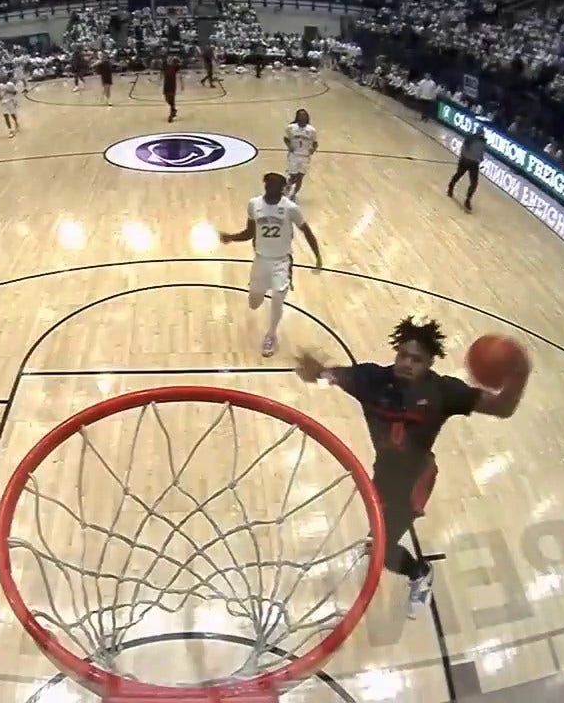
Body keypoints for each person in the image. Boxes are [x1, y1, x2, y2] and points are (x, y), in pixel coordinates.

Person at [293, 318, 531, 618]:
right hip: (384, 471)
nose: (406, 363)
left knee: (383, 550)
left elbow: (503, 408)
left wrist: (518, 378)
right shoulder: (371, 379)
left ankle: (420, 572)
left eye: (416, 359)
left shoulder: (444, 392)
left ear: (430, 363)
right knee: (379, 536)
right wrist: (318, 373)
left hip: (415, 480)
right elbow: (330, 377)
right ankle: (385, 545)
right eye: (402, 355)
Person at [218, 172, 322, 357]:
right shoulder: (254, 204)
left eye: (274, 187)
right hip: (261, 259)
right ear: (264, 186)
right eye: (267, 186)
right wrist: (231, 237)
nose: (269, 190)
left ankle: (271, 335)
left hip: (282, 261)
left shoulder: (290, 208)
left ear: (282, 189)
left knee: (277, 299)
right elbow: (249, 233)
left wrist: (318, 257)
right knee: (254, 301)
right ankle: (256, 290)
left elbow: (307, 231)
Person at [447, 128, 485, 212]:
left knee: (473, 183)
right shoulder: (470, 138)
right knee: (459, 175)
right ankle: (451, 187)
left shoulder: (482, 141)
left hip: (473, 163)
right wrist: (465, 158)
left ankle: (467, 199)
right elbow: (463, 149)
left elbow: (481, 153)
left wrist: (480, 158)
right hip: (466, 161)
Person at [283, 109, 317, 200]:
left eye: (304, 116)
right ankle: (286, 188)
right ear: (297, 117)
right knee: (293, 176)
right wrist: (289, 145)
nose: (303, 117)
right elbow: (286, 138)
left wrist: (313, 149)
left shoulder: (311, 130)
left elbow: (315, 142)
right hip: (294, 155)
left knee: (300, 177)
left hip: (305, 156)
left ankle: (293, 194)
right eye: (301, 116)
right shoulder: (291, 128)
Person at [162, 55, 183, 123]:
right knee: (167, 99)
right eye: (169, 59)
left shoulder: (175, 66)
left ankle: (171, 116)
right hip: (166, 85)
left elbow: (180, 74)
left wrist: (182, 84)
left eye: (171, 59)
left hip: (172, 85)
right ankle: (173, 110)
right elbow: (161, 74)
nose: (169, 60)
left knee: (172, 100)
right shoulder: (165, 66)